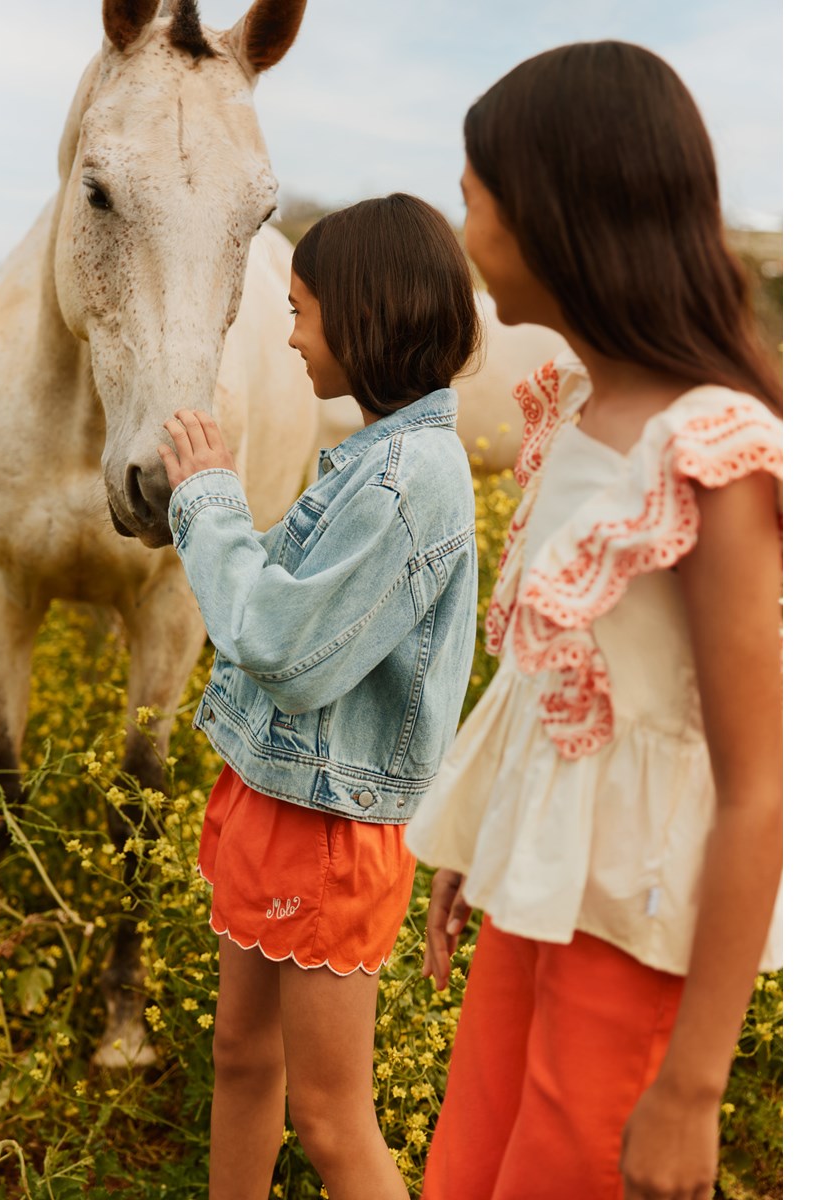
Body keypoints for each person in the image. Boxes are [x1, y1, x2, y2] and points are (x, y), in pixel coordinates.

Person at [405, 41, 783, 1200]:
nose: (462, 231)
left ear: (554, 216)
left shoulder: (709, 449)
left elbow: (757, 789)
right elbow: (552, 689)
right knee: (466, 1171)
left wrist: (693, 1090)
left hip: (632, 925)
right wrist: (478, 843)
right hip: (536, 896)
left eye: (472, 200)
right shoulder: (574, 410)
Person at [156, 193, 482, 1200]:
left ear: (364, 315)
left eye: (300, 313)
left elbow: (285, 648)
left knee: (332, 1118)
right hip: (280, 795)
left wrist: (208, 499)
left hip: (331, 828)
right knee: (240, 1054)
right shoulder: (377, 460)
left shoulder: (406, 480)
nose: (291, 338)